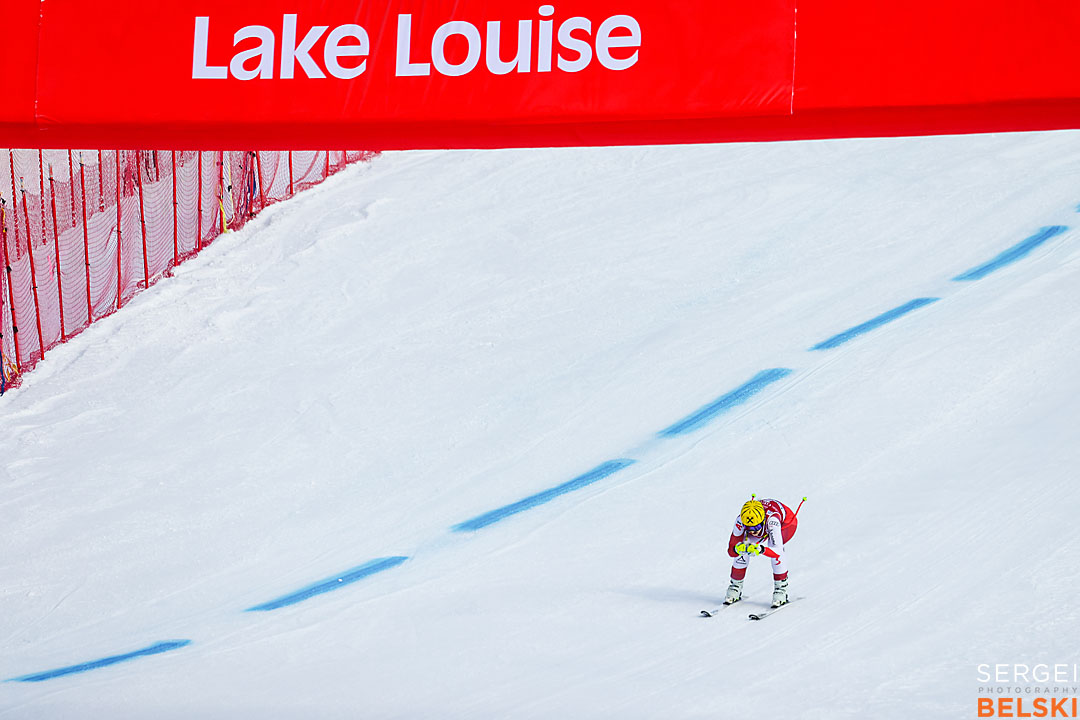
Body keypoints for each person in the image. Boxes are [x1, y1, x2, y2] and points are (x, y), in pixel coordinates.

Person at [724, 496, 799, 608]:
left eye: (756, 527)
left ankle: (781, 589)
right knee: (744, 547)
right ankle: (735, 586)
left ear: (763, 521)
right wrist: (737, 549)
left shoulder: (772, 521)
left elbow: (777, 552)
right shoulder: (740, 520)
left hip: (786, 523)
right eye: (748, 528)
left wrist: (761, 549)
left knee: (775, 550)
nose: (752, 532)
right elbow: (731, 551)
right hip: (764, 525)